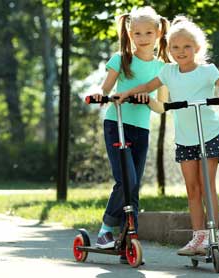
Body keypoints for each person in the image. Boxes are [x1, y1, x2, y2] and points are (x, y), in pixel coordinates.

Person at [116, 15, 219, 256]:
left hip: (209, 134)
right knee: (192, 189)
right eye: (175, 47)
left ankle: (212, 236)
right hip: (184, 138)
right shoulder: (168, 72)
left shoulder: (207, 71)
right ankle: (197, 237)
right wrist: (127, 93)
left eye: (186, 47)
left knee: (206, 186)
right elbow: (147, 87)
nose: (180, 51)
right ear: (168, 49)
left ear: (197, 48)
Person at [90, 6, 169, 256]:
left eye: (148, 32)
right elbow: (105, 91)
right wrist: (99, 96)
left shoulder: (162, 68)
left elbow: (161, 107)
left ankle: (128, 235)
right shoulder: (120, 59)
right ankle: (105, 230)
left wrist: (148, 99)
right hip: (117, 124)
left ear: (158, 33)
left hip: (141, 129)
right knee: (127, 180)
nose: (142, 38)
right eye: (137, 33)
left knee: (134, 186)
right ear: (129, 33)